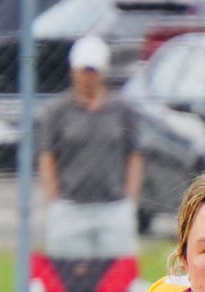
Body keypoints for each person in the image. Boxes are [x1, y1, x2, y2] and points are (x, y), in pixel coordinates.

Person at [37, 35, 143, 260]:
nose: (87, 77)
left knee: (119, 278)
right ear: (73, 70)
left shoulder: (123, 110)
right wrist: (54, 201)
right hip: (70, 207)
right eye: (82, 70)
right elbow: (47, 158)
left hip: (113, 207)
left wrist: (129, 200)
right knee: (69, 279)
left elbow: (134, 156)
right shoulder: (57, 111)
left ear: (103, 72)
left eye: (92, 71)